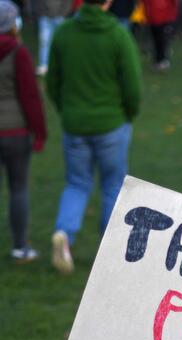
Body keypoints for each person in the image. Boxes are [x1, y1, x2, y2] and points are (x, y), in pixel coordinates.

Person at [46, 0, 142, 274]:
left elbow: (53, 80)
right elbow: (132, 85)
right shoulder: (116, 34)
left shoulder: (64, 33)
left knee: (76, 183)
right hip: (111, 124)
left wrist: (66, 110)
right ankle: (108, 246)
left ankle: (64, 233)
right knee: (113, 185)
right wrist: (128, 114)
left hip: (76, 124)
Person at [0, 0, 46, 262]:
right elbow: (30, 96)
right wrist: (39, 132)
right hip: (15, 132)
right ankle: (19, 245)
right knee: (18, 189)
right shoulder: (19, 53)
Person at [33, 0, 72, 76]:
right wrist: (42, 13)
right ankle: (44, 65)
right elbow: (38, 3)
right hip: (45, 17)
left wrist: (63, 14)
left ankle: (61, 65)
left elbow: (68, 2)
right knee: (44, 42)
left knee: (61, 42)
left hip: (60, 17)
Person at [142, 0, 179, 71]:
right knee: (158, 41)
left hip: (162, 18)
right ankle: (160, 60)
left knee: (161, 40)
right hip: (156, 18)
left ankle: (162, 60)